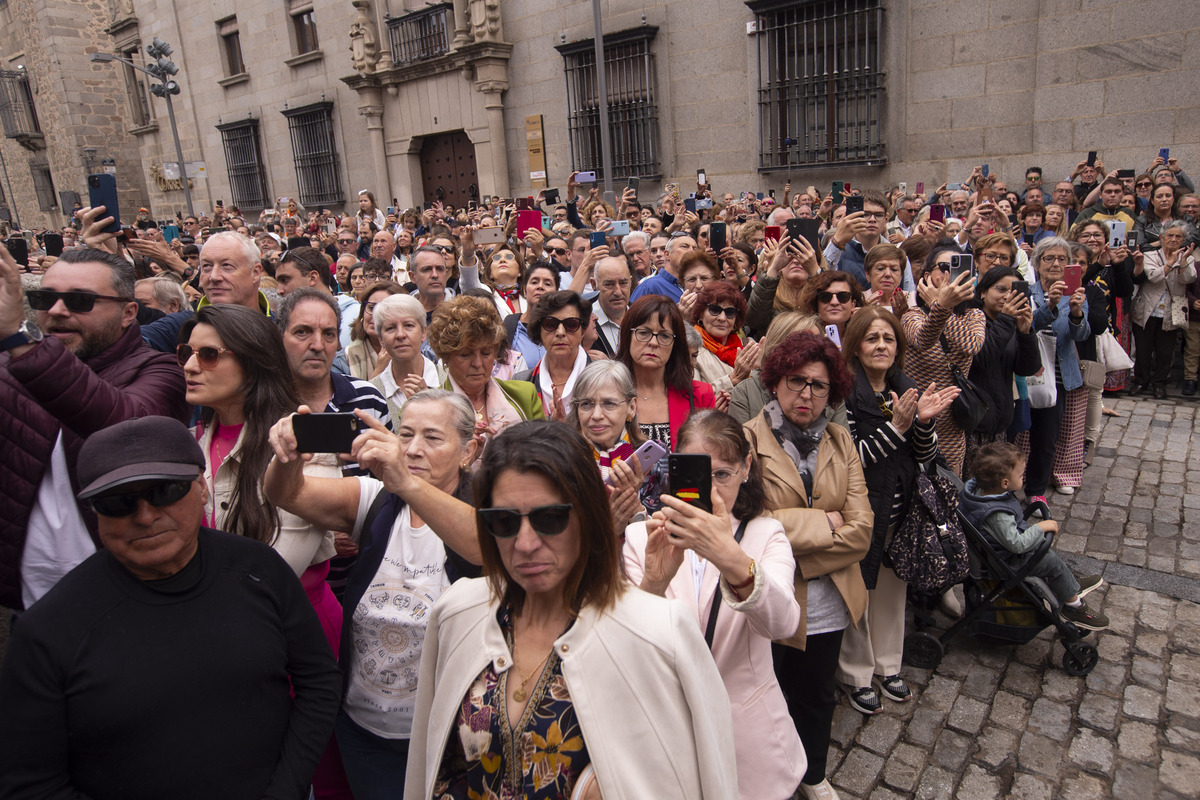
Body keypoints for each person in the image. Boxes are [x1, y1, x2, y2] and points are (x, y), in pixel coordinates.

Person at [0, 416, 342, 800]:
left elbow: (319, 681)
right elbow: (31, 784)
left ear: (201, 488)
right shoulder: (47, 632)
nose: (145, 516)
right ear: (95, 512)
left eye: (166, 491)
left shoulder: (259, 570)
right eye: (118, 501)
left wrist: (286, 789)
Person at [404, 421, 738, 799]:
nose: (525, 543)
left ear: (589, 515)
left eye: (551, 518)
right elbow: (430, 768)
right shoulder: (457, 614)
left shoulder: (662, 633)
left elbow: (709, 781)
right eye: (504, 521)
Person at [265, 391, 483, 799]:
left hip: (448, 736)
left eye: (433, 438)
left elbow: (483, 547)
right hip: (364, 730)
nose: (414, 449)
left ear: (468, 451)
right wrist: (286, 461)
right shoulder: (377, 499)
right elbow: (285, 495)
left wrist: (404, 481)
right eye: (406, 435)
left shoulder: (485, 509)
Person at [624, 410, 807, 799]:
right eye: (696, 473)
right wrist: (654, 583)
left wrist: (732, 559)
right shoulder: (641, 538)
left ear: (746, 469)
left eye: (722, 474)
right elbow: (626, 650)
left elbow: (783, 623)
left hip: (749, 740)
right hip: (669, 734)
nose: (709, 491)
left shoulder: (765, 534)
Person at [0, 246, 190, 610]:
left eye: (80, 300)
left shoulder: (159, 371)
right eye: (45, 298)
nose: (57, 311)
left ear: (128, 312)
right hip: (31, 604)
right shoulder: (10, 367)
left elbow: (129, 428)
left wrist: (21, 342)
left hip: (132, 597)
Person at [744, 330, 870, 800]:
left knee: (817, 696)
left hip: (827, 602)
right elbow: (750, 526)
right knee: (765, 694)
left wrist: (789, 539)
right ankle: (766, 778)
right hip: (771, 597)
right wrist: (825, 522)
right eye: (797, 381)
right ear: (776, 382)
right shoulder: (746, 441)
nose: (807, 394)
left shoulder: (840, 439)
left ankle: (813, 774)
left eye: (819, 386)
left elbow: (860, 531)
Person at [836, 308, 958, 715]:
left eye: (888, 339)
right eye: (872, 338)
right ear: (855, 345)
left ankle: (888, 666)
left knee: (891, 592)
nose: (882, 346)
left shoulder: (906, 387)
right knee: (858, 594)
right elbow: (852, 458)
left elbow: (926, 456)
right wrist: (897, 428)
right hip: (859, 511)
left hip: (900, 508)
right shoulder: (845, 395)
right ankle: (855, 673)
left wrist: (923, 424)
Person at [960, 442, 1109, 630]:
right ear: (1005, 483)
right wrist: (1040, 528)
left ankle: (1070, 582)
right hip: (1006, 562)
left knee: (1047, 555)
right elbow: (1017, 544)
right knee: (1051, 562)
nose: (1023, 478)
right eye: (1021, 475)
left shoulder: (976, 491)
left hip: (999, 553)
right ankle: (1073, 606)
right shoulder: (997, 516)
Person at [1016, 238, 1091, 507]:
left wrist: (1076, 313)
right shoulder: (1026, 292)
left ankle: (1036, 491)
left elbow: (1080, 334)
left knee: (1046, 437)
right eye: (1049, 258)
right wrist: (1049, 307)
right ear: (1036, 263)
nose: (1056, 264)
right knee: (1016, 431)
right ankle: (1009, 483)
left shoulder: (1076, 294)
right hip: (1025, 374)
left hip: (1057, 376)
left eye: (1062, 259)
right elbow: (1027, 327)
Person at [900, 245, 985, 476]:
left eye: (958, 268)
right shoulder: (912, 314)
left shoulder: (974, 315)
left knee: (949, 494)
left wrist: (942, 307)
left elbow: (971, 345)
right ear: (927, 276)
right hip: (916, 419)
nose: (950, 274)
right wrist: (942, 307)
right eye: (944, 267)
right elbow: (923, 339)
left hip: (953, 425)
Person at [428, 295, 543, 438]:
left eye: (486, 353)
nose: (477, 363)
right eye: (465, 354)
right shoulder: (425, 410)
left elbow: (542, 454)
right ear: (445, 356)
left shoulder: (525, 395)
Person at [618, 294, 717, 452]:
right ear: (627, 335)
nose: (653, 342)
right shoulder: (608, 392)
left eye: (664, 336)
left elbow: (709, 456)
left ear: (675, 344)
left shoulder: (700, 395)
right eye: (644, 332)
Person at [969, 266, 1042, 442]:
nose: (1008, 297)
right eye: (1001, 289)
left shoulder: (1009, 324)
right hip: (973, 420)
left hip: (1001, 421)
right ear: (983, 293)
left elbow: (1027, 368)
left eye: (1013, 291)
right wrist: (1007, 320)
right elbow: (982, 359)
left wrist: (1026, 334)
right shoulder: (971, 321)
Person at [1131, 220, 1197, 398]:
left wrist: (1182, 261)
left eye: (1178, 236)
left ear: (1183, 240)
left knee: (1165, 352)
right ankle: (1140, 381)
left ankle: (1160, 384)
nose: (1174, 239)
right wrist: (1170, 263)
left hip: (1170, 311)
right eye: (1170, 235)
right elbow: (1153, 276)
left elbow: (1189, 279)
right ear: (1161, 237)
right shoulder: (1151, 255)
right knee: (1143, 350)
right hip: (1147, 309)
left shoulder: (1187, 258)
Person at [515, 290, 592, 420]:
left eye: (571, 324)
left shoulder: (605, 378)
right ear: (538, 330)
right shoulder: (522, 383)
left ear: (583, 331)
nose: (560, 332)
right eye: (550, 324)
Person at [369, 293, 442, 427]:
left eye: (408, 325)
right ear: (381, 339)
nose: (400, 335)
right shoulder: (373, 393)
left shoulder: (447, 379)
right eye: (390, 328)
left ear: (424, 332)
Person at [692, 279, 759, 393]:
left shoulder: (749, 346)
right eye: (715, 310)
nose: (722, 318)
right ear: (701, 314)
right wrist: (732, 380)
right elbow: (694, 398)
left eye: (730, 312)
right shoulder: (691, 352)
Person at [746, 235, 821, 336]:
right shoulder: (768, 290)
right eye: (790, 255)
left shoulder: (820, 290)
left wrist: (816, 273)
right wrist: (773, 269)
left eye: (803, 255)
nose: (796, 261)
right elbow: (754, 320)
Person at [505, 261, 560, 368]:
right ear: (525, 291)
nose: (540, 287)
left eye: (547, 284)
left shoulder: (563, 329)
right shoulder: (509, 328)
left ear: (556, 293)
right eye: (534, 282)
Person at [346, 280, 404, 380]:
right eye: (371, 308)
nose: (375, 315)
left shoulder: (412, 352)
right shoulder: (343, 358)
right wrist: (379, 371)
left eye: (385, 310)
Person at [798, 269, 866, 342]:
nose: (834, 302)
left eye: (842, 296)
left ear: (853, 304)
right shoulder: (805, 336)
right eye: (825, 297)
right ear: (816, 303)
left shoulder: (864, 334)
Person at [630, 232, 693, 302]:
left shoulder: (698, 284)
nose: (658, 254)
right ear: (668, 254)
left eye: (694, 248)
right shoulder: (647, 286)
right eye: (684, 246)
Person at [590, 255, 633, 357]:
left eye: (623, 283)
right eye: (609, 284)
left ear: (630, 282)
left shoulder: (642, 317)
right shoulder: (584, 324)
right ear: (594, 285)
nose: (618, 292)